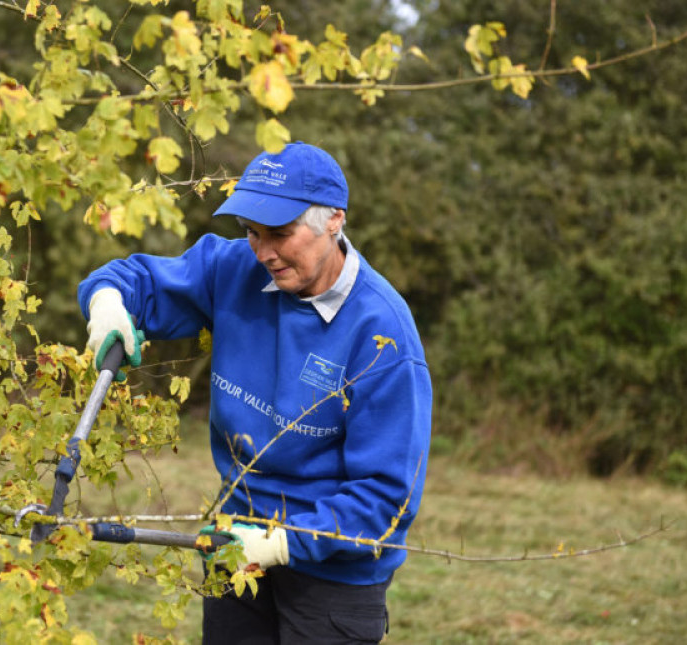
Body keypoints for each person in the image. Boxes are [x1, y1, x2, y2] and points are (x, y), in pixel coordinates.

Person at [78, 142, 432, 644]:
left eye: (281, 234)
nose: (264, 252)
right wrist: (108, 303)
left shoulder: (383, 337)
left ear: (334, 221)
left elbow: (387, 497)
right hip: (233, 545)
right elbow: (133, 279)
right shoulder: (235, 270)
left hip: (333, 575)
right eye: (251, 233)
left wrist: (283, 544)